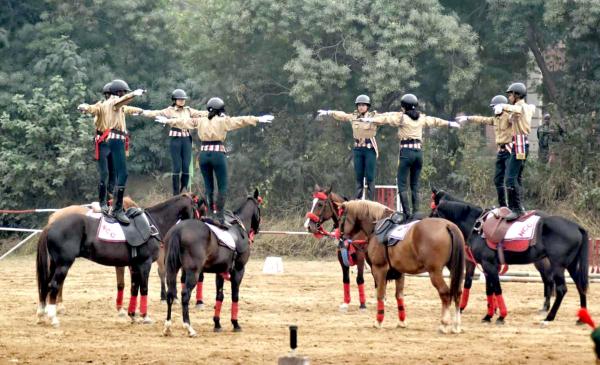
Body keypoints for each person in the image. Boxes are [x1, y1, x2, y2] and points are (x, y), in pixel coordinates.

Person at [156, 97, 273, 227]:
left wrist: (168, 121)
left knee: (209, 187)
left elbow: (183, 122)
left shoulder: (200, 120)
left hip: (204, 155)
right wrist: (257, 119)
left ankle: (210, 213)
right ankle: (220, 215)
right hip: (218, 154)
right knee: (222, 186)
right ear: (220, 110)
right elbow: (240, 120)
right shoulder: (223, 121)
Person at [362, 94, 460, 221]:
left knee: (402, 184)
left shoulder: (402, 118)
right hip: (418, 153)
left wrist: (370, 120)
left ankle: (407, 214)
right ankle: (416, 212)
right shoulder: (421, 118)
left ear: (403, 107)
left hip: (406, 152)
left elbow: (387, 118)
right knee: (415, 184)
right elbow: (435, 120)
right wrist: (450, 123)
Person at [78, 81, 144, 218]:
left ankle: (110, 200)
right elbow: (91, 108)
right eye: (108, 95)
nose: (110, 97)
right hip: (103, 141)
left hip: (111, 140)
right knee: (105, 173)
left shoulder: (118, 106)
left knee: (114, 173)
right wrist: (84, 106)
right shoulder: (103, 105)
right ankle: (103, 202)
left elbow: (127, 108)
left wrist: (142, 111)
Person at [140, 89, 207, 195]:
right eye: (179, 99)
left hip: (186, 139)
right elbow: (156, 113)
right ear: (174, 100)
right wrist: (143, 112)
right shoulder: (169, 110)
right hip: (175, 140)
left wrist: (214, 112)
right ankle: (175, 193)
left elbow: (200, 113)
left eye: (183, 99)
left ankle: (184, 191)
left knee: (186, 166)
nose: (182, 101)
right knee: (176, 167)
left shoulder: (188, 110)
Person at [317, 94, 379, 200]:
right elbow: (342, 115)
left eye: (363, 105)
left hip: (369, 149)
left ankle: (370, 201)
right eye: (359, 105)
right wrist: (329, 112)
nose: (361, 107)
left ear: (368, 106)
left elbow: (387, 117)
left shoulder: (374, 116)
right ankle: (357, 201)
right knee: (359, 177)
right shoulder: (354, 116)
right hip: (358, 149)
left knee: (370, 177)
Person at [456, 95, 512, 207]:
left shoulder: (509, 117)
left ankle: (514, 205)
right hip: (501, 151)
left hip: (510, 151)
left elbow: (516, 117)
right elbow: (482, 119)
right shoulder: (495, 119)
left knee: (510, 180)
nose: (493, 109)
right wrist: (468, 118)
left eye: (494, 107)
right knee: (498, 180)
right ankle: (503, 206)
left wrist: (510, 109)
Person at [496, 82, 535, 220]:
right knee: (516, 177)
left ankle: (517, 209)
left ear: (517, 95)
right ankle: (518, 207)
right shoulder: (525, 107)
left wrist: (502, 106)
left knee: (510, 178)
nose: (509, 97)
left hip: (519, 143)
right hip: (520, 143)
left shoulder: (520, 106)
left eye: (510, 94)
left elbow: (517, 110)